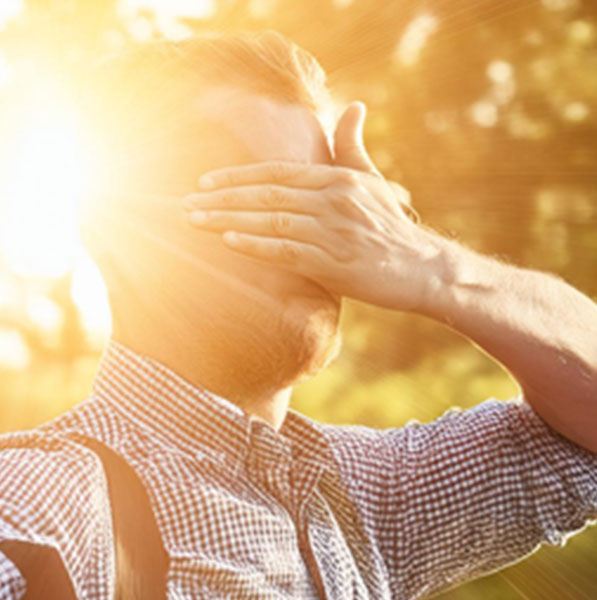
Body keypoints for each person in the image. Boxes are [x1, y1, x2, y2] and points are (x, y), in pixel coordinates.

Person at [0, 30, 596, 599]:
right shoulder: (44, 503)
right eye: (276, 203)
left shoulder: (365, 496)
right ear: (124, 233)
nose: (324, 251)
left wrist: (432, 266)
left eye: (338, 207)